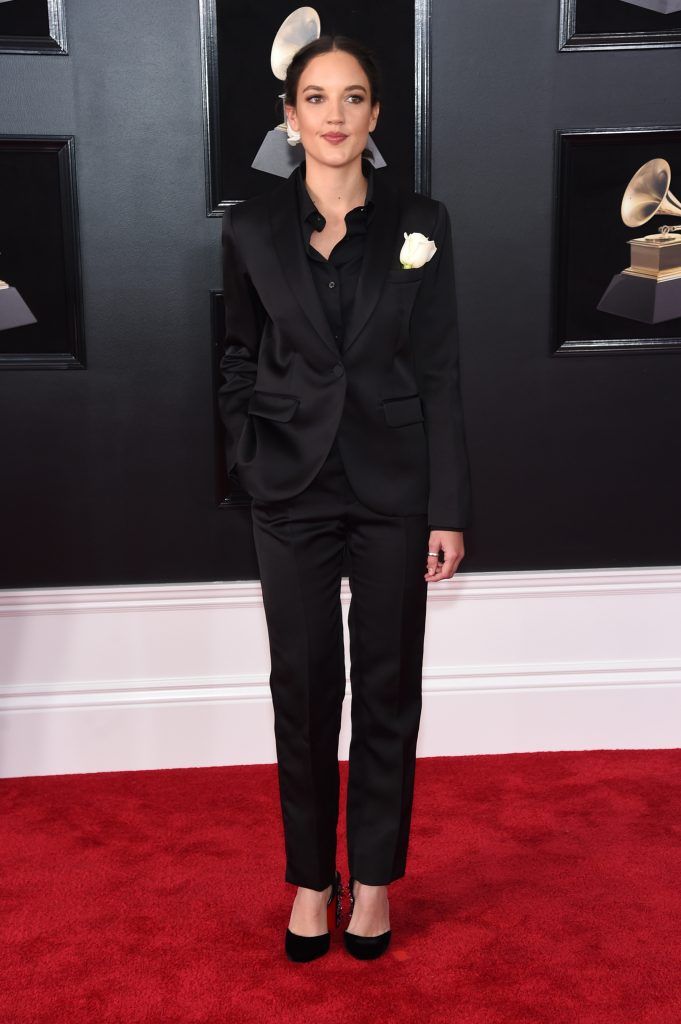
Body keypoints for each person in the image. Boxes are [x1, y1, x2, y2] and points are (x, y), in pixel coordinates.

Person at [218, 34, 472, 963]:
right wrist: (248, 453)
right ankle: (309, 883)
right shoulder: (249, 226)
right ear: (289, 117)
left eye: (351, 97)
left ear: (372, 118)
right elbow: (237, 354)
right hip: (286, 486)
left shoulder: (423, 222)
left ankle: (371, 882)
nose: (332, 114)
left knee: (387, 686)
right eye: (314, 98)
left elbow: (439, 368)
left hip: (394, 487)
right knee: (303, 687)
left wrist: (446, 506)